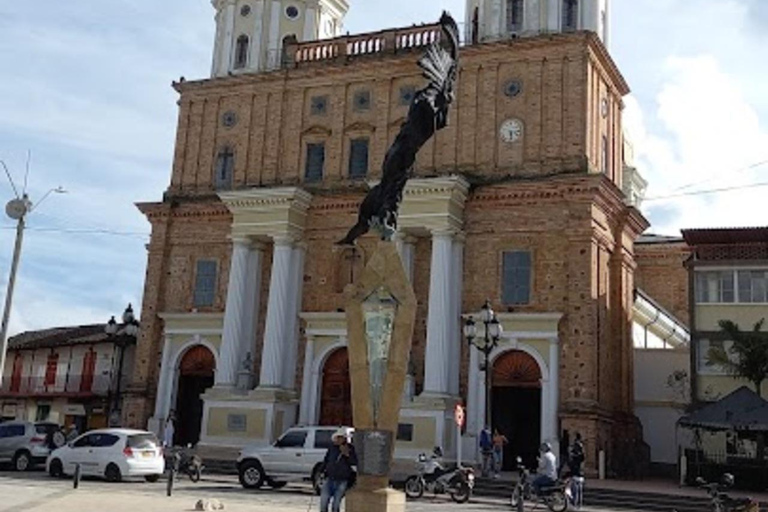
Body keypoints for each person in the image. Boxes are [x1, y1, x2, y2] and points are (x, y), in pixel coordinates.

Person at [320, 428, 357, 512]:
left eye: (340, 438)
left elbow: (354, 463)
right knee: (324, 502)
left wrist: (347, 455)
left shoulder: (351, 449)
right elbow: (326, 460)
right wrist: (322, 471)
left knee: (336, 504)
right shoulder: (332, 448)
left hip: (342, 480)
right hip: (330, 478)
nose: (338, 440)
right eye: (337, 438)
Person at [569, 433, 585, 510]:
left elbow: (573, 463)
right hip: (581, 474)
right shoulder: (581, 452)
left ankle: (574, 504)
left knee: (575, 491)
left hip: (576, 474)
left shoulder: (575, 453)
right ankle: (579, 505)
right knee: (579, 491)